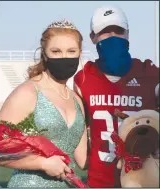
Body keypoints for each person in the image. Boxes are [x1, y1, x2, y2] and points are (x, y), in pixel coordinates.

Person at [74, 6, 159, 188]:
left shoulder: (150, 74)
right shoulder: (83, 78)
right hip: (99, 182)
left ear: (127, 34)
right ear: (93, 37)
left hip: (142, 181)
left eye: (118, 31)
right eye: (105, 32)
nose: (112, 36)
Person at [0, 19, 87, 188]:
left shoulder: (76, 100)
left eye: (71, 51)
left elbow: (83, 160)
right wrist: (43, 163)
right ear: (45, 54)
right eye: (56, 51)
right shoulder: (28, 92)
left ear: (79, 53)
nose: (64, 57)